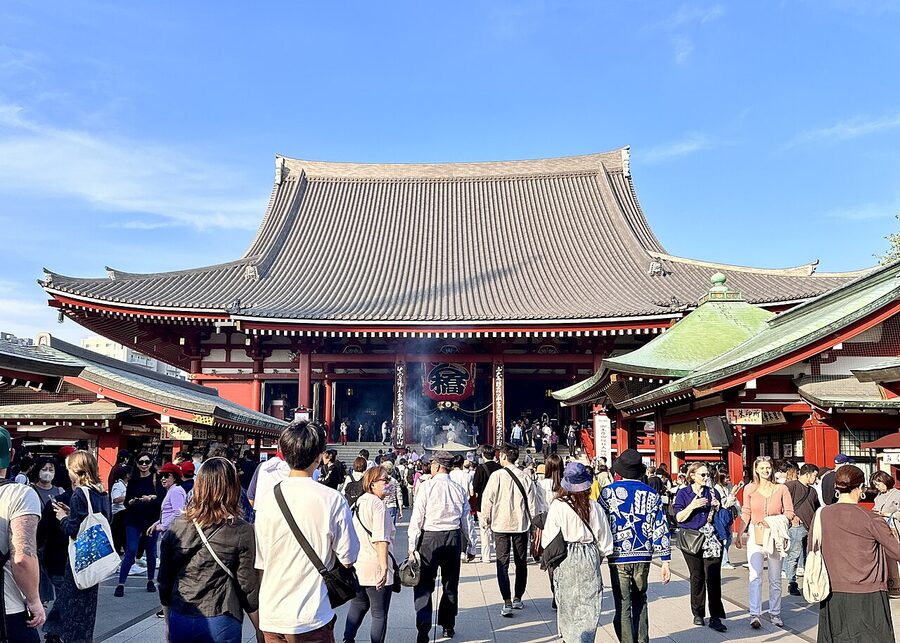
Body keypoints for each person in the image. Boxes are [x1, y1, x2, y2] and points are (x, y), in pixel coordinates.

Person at [254, 420, 359, 640]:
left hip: (272, 612)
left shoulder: (267, 500)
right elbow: (348, 557)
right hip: (311, 612)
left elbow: (260, 562)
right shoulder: (332, 500)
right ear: (318, 456)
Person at [158, 456, 263, 643]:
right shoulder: (241, 530)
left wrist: (168, 622)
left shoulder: (178, 525)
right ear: (232, 488)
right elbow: (247, 585)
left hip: (181, 613)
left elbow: (165, 579)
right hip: (221, 615)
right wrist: (259, 626)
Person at [815, 464, 900, 642]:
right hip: (868, 592)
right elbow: (897, 551)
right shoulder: (871, 518)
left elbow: (812, 549)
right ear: (860, 488)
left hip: (833, 591)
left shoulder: (821, 515)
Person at [598, 449, 671, 643]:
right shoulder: (652, 495)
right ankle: (642, 640)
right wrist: (665, 561)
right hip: (643, 556)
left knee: (623, 605)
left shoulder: (607, 493)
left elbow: (600, 525)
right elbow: (660, 527)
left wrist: (598, 554)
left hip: (618, 555)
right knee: (641, 600)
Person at [407, 450, 476, 642]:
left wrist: (412, 545)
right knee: (450, 583)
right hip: (452, 538)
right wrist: (472, 545)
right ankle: (448, 625)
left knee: (424, 584)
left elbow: (417, 518)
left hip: (429, 538)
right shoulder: (458, 489)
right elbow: (467, 520)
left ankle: (423, 626)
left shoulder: (426, 487)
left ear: (437, 466)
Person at [541, 462, 614, 643]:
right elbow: (605, 540)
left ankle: (569, 638)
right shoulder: (594, 506)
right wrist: (599, 555)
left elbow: (548, 539)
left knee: (567, 602)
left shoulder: (558, 505)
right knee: (590, 603)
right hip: (589, 553)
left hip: (566, 555)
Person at [52, 450, 110, 643]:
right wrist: (72, 514)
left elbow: (72, 529)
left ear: (75, 470)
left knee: (73, 607)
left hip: (79, 559)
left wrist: (63, 518)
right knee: (87, 609)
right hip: (95, 556)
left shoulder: (79, 494)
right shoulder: (101, 492)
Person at [735, 455, 794, 629]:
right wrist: (740, 534)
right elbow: (746, 512)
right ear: (756, 470)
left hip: (774, 532)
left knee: (775, 577)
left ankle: (775, 613)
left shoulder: (782, 488)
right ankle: (755, 613)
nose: (765, 471)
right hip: (755, 532)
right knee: (755, 575)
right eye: (762, 468)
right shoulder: (749, 489)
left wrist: (774, 521)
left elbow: (790, 512)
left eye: (768, 467)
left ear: (772, 469)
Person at [481, 443, 539, 618]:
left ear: (504, 457)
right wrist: (535, 524)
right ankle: (517, 597)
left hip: (500, 525)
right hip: (521, 525)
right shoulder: (525, 476)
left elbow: (487, 500)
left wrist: (484, 519)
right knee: (521, 563)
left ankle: (506, 601)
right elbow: (533, 503)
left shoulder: (496, 476)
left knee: (502, 563)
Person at [0, 428, 45, 642]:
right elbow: (22, 557)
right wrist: (35, 601)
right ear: (10, 455)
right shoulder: (19, 494)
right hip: (7, 610)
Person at [344, 466, 397, 643]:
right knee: (379, 613)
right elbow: (380, 538)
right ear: (372, 484)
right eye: (385, 480)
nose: (388, 483)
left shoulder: (360, 501)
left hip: (360, 565)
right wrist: (384, 568)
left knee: (358, 605)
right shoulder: (378, 505)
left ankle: (347, 639)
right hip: (376, 564)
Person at [673, 463, 727, 632]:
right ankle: (698, 612)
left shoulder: (712, 492)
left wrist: (720, 506)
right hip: (692, 539)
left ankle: (716, 616)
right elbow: (679, 517)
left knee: (713, 578)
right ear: (692, 475)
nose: (706, 478)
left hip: (711, 539)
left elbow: (721, 515)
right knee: (697, 576)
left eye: (707, 475)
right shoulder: (683, 493)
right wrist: (692, 506)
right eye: (702, 475)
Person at [114, 452, 164, 597]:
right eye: (141, 462)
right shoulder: (133, 480)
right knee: (131, 550)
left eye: (146, 462)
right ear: (136, 464)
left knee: (150, 551)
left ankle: (150, 580)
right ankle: (121, 583)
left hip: (150, 520)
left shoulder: (156, 479)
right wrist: (131, 501)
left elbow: (162, 500)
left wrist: (151, 499)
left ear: (151, 463)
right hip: (133, 518)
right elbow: (126, 501)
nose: (144, 465)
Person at [27, 456, 64, 604]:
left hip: (55, 539)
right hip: (36, 537)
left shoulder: (60, 491)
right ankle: (42, 599)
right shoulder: (30, 490)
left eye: (51, 470)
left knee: (56, 574)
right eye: (44, 469)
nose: (48, 473)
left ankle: (58, 603)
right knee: (39, 571)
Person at [784, 463, 819, 596]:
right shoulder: (791, 486)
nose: (815, 479)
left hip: (810, 527)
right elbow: (780, 502)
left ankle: (809, 581)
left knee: (810, 555)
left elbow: (816, 508)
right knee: (794, 555)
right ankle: (792, 582)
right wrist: (791, 517)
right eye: (814, 476)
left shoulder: (813, 491)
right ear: (808, 474)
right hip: (796, 526)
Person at [471, 445, 501, 564]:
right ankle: (499, 553)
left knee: (484, 530)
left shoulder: (480, 469)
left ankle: (486, 556)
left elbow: (476, 487)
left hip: (483, 502)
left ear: (483, 455)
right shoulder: (500, 468)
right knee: (497, 530)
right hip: (498, 502)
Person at [150, 462, 187, 534]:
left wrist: (163, 527)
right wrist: (156, 524)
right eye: (161, 476)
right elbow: (168, 513)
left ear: (175, 478)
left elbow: (178, 512)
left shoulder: (176, 490)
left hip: (173, 532)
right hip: (170, 531)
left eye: (166, 476)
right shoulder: (172, 490)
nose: (163, 479)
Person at [109, 465, 130, 553]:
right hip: (118, 514)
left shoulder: (127, 485)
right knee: (118, 538)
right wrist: (129, 497)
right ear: (126, 475)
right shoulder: (118, 485)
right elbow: (116, 499)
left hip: (126, 513)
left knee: (125, 537)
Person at [380, 461, 404, 526]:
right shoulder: (394, 481)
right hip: (392, 505)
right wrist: (401, 510)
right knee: (391, 529)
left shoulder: (380, 480)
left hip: (381, 505)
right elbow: (399, 495)